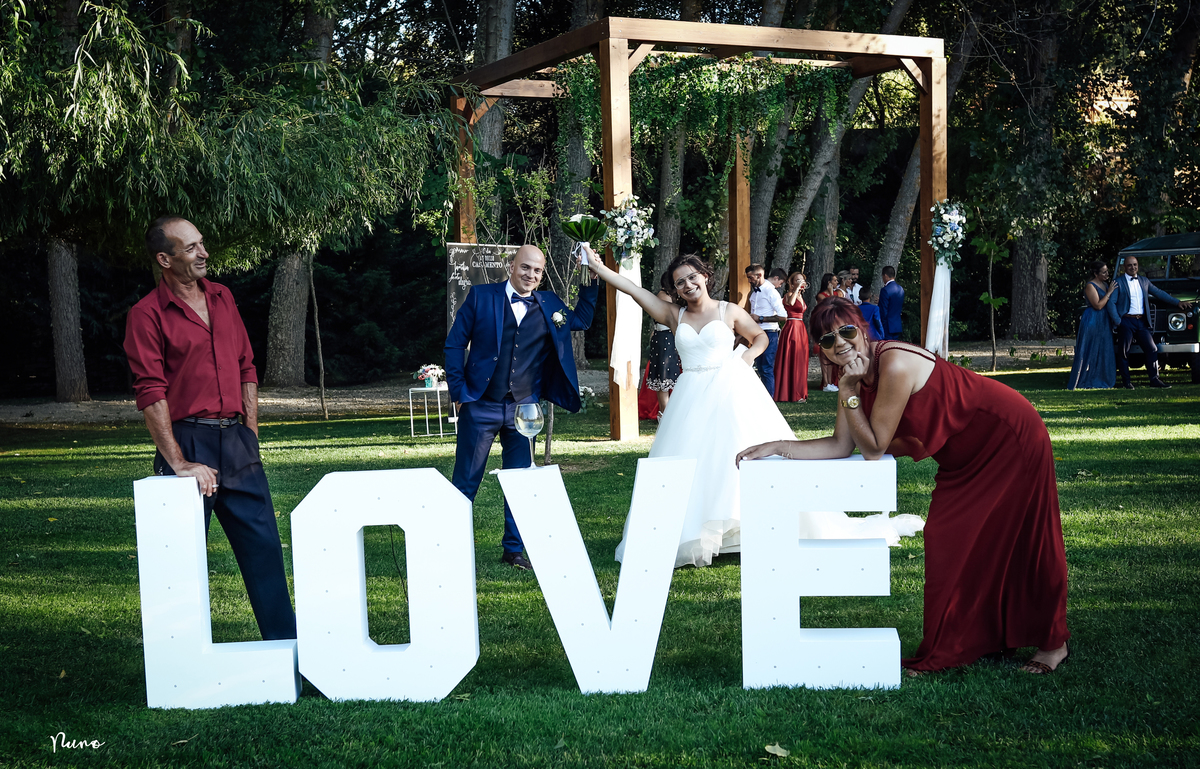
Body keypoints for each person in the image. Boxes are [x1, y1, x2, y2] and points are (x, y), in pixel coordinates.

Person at [737, 298, 1071, 675]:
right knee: (955, 542)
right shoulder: (853, 375)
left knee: (1029, 538)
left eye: (847, 331)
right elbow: (841, 445)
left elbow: (873, 447)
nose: (840, 343)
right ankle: (975, 640)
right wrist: (779, 446)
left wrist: (847, 391)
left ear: (863, 330)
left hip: (1007, 436)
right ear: (822, 350)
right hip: (962, 459)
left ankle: (1053, 643)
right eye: (828, 339)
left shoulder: (892, 365)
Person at [123, 216, 296, 641]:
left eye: (201, 243)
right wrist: (179, 462)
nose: (203, 253)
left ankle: (289, 655)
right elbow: (151, 392)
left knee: (265, 554)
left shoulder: (222, 297)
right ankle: (180, 658)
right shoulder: (146, 314)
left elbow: (246, 367)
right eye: (191, 248)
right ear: (165, 259)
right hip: (188, 441)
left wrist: (250, 434)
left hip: (237, 443)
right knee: (179, 563)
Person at [585, 249, 795, 568]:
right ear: (675, 290)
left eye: (692, 277)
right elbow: (633, 290)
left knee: (736, 454)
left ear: (705, 276)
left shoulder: (728, 310)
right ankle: (692, 530)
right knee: (690, 461)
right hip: (691, 395)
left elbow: (759, 338)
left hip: (732, 388)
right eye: (680, 282)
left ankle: (745, 524)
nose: (688, 285)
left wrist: (746, 358)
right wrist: (599, 268)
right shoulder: (674, 315)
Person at [445, 245, 599, 571]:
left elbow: (583, 320)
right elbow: (455, 343)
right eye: (525, 267)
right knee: (466, 480)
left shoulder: (550, 304)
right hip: (481, 404)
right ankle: (449, 545)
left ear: (542, 275)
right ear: (512, 266)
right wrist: (459, 391)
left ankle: (513, 551)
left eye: (537, 271)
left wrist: (590, 276)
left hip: (524, 409)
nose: (531, 275)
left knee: (519, 483)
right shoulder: (481, 297)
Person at [1105, 255, 1193, 389]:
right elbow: (1111, 303)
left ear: (1138, 266)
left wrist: (1177, 302)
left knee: (1152, 349)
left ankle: (1154, 380)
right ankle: (1126, 382)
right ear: (1124, 267)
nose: (1133, 267)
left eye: (1135, 265)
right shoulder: (1118, 282)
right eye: (1129, 265)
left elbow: (1159, 293)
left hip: (1142, 321)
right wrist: (1118, 321)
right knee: (1124, 352)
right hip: (1126, 321)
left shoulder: (1144, 281)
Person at [1067, 260, 1118, 390]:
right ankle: (1085, 378)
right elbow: (1098, 305)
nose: (1107, 274)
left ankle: (1102, 377)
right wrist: (1109, 293)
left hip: (1104, 320)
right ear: (1096, 274)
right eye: (1104, 272)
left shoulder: (1105, 284)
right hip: (1093, 319)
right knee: (1090, 348)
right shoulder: (1090, 286)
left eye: (1107, 271)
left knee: (1104, 348)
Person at [643, 273, 683, 418]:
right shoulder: (664, 296)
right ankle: (664, 414)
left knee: (670, 376)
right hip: (664, 338)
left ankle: (670, 413)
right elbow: (671, 319)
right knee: (663, 376)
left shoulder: (671, 295)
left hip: (668, 338)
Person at [745, 263, 788, 397]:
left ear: (759, 275)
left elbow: (783, 316)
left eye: (751, 278)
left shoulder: (771, 292)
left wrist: (761, 318)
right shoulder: (754, 293)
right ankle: (761, 398)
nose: (749, 281)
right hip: (756, 333)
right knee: (758, 367)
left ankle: (769, 401)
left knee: (766, 368)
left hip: (769, 333)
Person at [774, 272, 810, 403]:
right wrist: (796, 289)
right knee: (791, 357)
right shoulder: (789, 294)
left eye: (802, 280)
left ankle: (799, 391)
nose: (801, 282)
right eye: (798, 280)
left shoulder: (801, 296)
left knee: (800, 358)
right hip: (792, 327)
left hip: (800, 328)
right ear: (792, 282)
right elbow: (790, 303)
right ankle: (788, 393)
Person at [815, 273, 842, 392]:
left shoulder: (837, 294)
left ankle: (831, 381)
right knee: (824, 354)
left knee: (832, 354)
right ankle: (826, 382)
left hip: (835, 325)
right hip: (824, 326)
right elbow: (830, 306)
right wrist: (831, 293)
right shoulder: (821, 295)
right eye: (835, 281)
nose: (837, 283)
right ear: (829, 282)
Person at [878, 265, 905, 340]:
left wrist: (880, 325)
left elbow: (883, 310)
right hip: (897, 324)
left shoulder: (885, 290)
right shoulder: (900, 289)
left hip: (887, 325)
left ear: (885, 276)